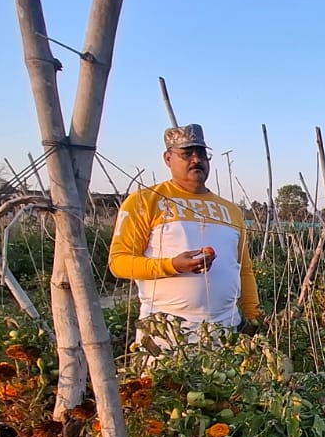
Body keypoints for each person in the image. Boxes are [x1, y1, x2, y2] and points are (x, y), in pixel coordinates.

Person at [109, 124, 260, 345]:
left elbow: (244, 269)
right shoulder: (145, 201)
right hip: (165, 335)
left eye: (201, 154)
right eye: (186, 153)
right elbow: (118, 262)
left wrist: (254, 317)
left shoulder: (231, 211)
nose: (196, 160)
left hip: (226, 331)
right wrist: (172, 265)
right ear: (168, 158)